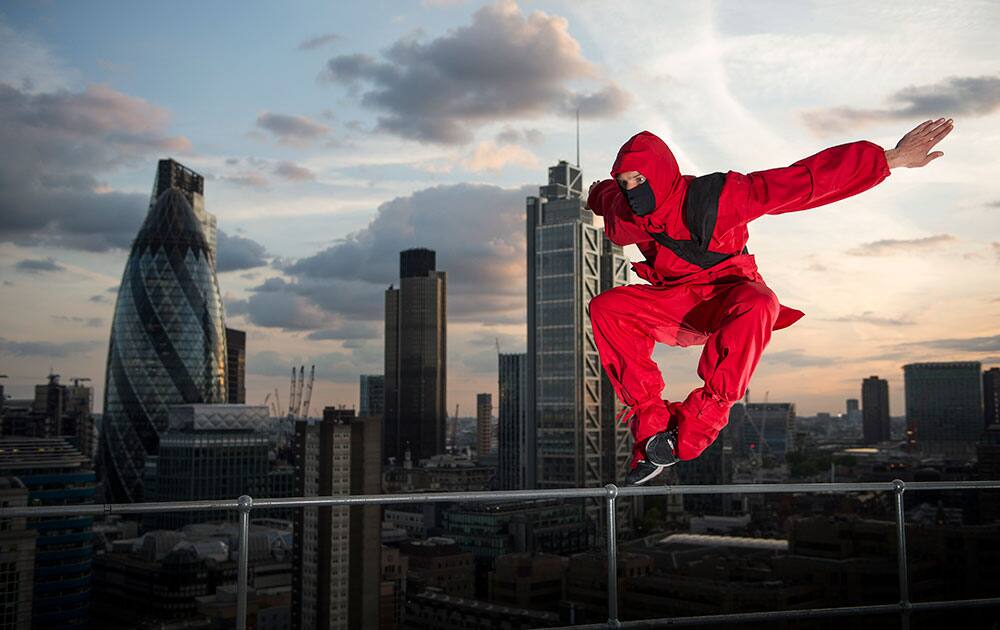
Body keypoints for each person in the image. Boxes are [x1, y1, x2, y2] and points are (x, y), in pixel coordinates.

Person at [586, 118, 954, 485]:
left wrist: (891, 159)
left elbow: (806, 181)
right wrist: (594, 193)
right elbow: (605, 196)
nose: (633, 191)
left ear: (662, 175)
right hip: (677, 303)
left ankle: (702, 420)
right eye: (626, 182)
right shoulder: (623, 210)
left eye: (640, 180)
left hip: (727, 296)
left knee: (761, 301)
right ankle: (652, 428)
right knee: (607, 308)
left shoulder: (718, 197)